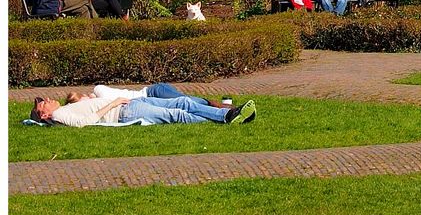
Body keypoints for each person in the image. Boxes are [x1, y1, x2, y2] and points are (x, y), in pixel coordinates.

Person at [31, 95, 255, 127]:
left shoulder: (65, 108)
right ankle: (226, 116)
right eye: (44, 104)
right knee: (177, 114)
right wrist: (112, 104)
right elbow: (84, 123)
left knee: (183, 101)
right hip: (123, 112)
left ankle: (228, 114)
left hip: (129, 104)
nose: (49, 100)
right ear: (45, 115)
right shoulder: (59, 115)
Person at [67, 83, 226, 108]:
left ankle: (220, 105)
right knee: (184, 102)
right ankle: (218, 106)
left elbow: (109, 101)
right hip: (150, 98)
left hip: (152, 92)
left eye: (83, 101)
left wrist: (94, 100)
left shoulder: (98, 90)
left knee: (185, 100)